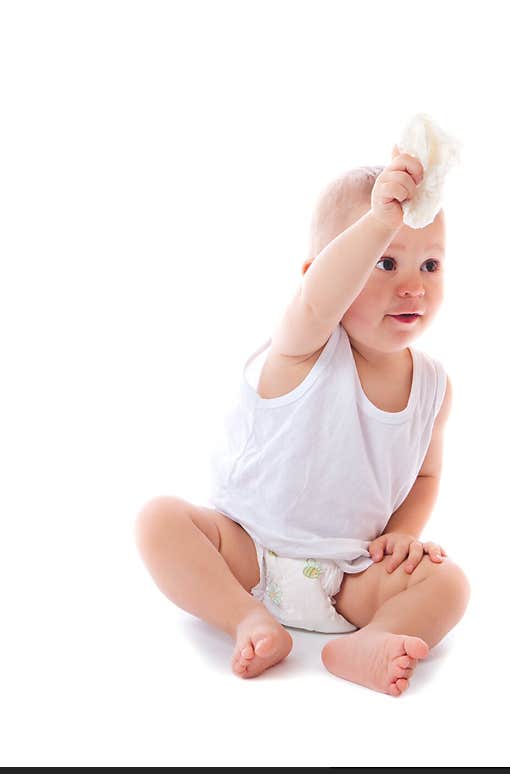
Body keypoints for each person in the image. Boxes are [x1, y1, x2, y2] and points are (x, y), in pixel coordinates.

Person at [134, 146, 470, 696]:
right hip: (245, 551)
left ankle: (370, 640)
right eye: (385, 261)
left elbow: (426, 477)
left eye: (429, 265)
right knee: (159, 521)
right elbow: (317, 304)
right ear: (323, 274)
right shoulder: (306, 345)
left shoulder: (434, 387)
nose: (413, 286)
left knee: (450, 585)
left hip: (349, 576)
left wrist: (402, 540)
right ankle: (243, 617)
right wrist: (380, 218)